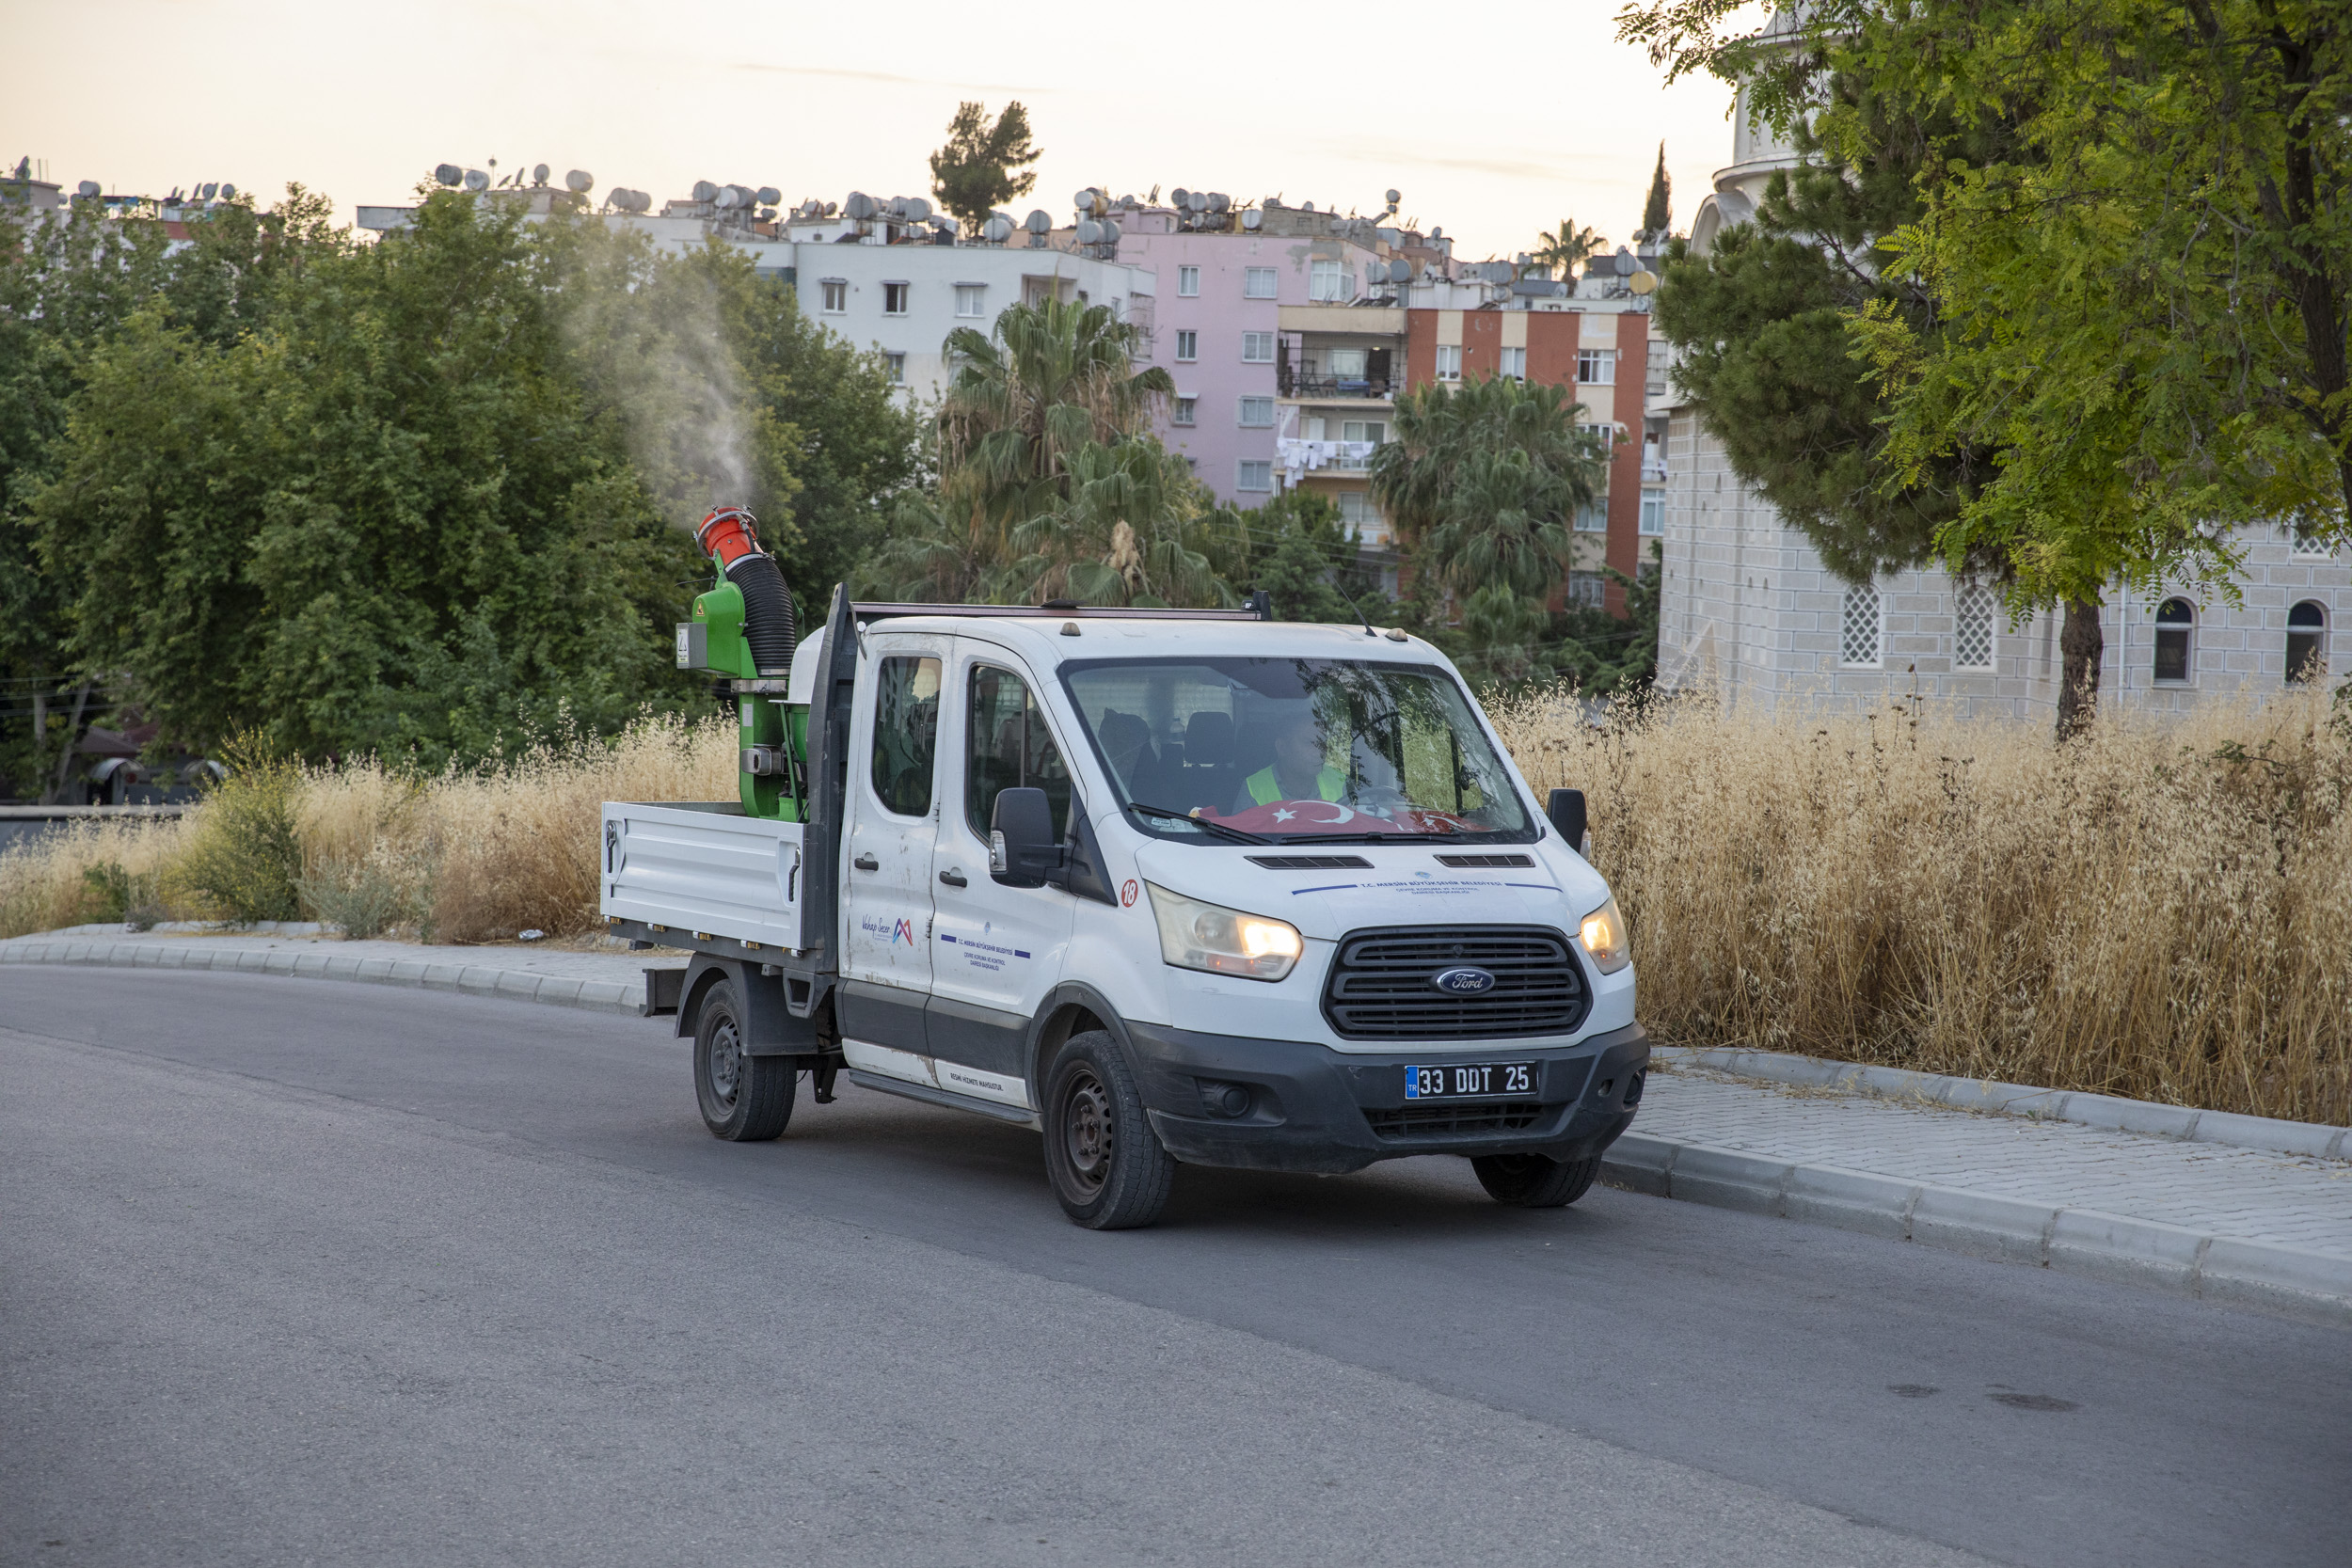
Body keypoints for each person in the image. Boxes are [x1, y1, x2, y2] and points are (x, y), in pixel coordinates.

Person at [1239, 717, 1346, 810]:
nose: (1319, 752)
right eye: (1308, 743)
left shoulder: (1340, 782)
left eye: (1321, 742)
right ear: (1282, 748)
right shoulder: (1254, 789)